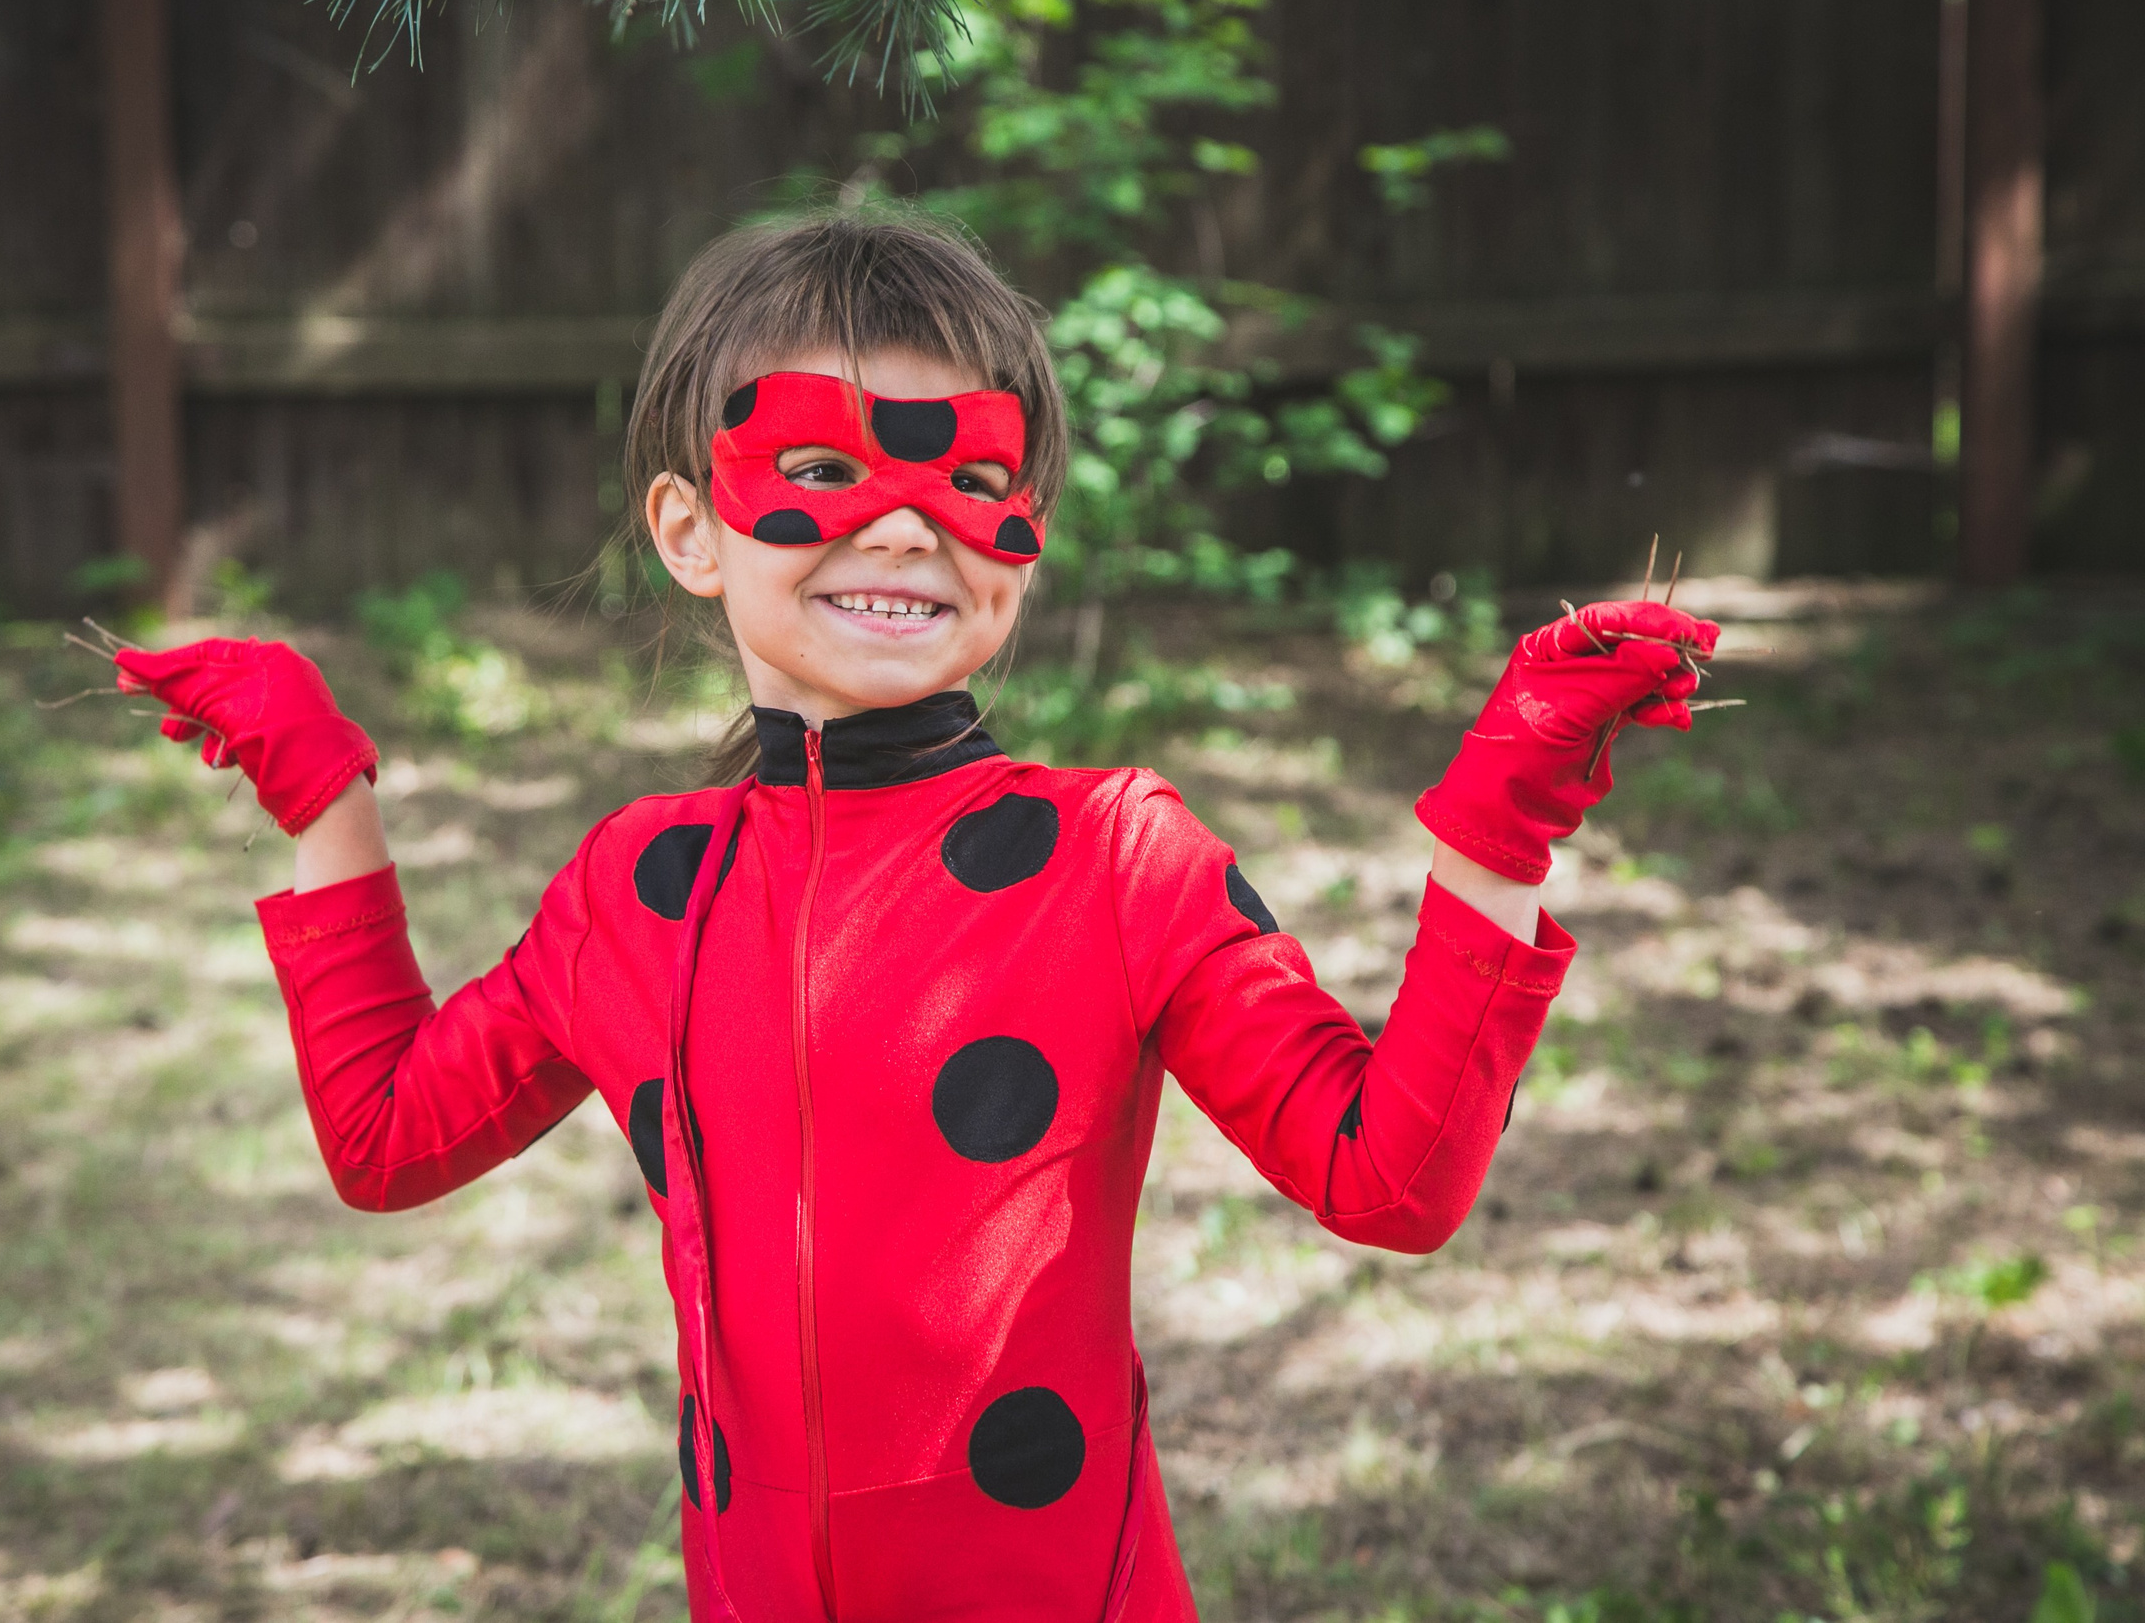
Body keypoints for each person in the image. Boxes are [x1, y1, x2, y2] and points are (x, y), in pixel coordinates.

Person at [114, 214, 1719, 1622]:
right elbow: (387, 1140)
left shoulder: (1116, 859)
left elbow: (1393, 1179)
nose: (903, 526)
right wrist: (325, 804)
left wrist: (1505, 817)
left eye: (968, 477)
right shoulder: (635, 890)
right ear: (689, 530)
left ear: (1022, 533)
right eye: (817, 468)